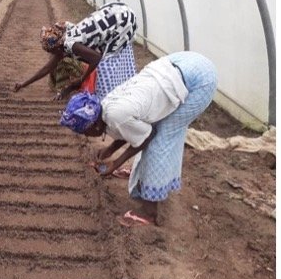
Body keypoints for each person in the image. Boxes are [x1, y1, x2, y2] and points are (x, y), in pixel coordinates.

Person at [60, 51, 217, 226]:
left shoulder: (115, 115)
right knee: (153, 127)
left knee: (160, 139)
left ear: (94, 125)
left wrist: (116, 163)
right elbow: (131, 126)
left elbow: (146, 136)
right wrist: (109, 150)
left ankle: (149, 212)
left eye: (84, 132)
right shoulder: (104, 106)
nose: (85, 136)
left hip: (200, 80)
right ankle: (144, 180)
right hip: (181, 64)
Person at [13, 2, 137, 101]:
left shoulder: (71, 44)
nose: (51, 55)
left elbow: (96, 58)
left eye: (51, 51)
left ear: (56, 47)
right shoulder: (64, 39)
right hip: (116, 11)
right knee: (107, 56)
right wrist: (24, 84)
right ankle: (123, 88)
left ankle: (112, 96)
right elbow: (46, 69)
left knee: (106, 63)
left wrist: (82, 79)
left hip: (122, 20)